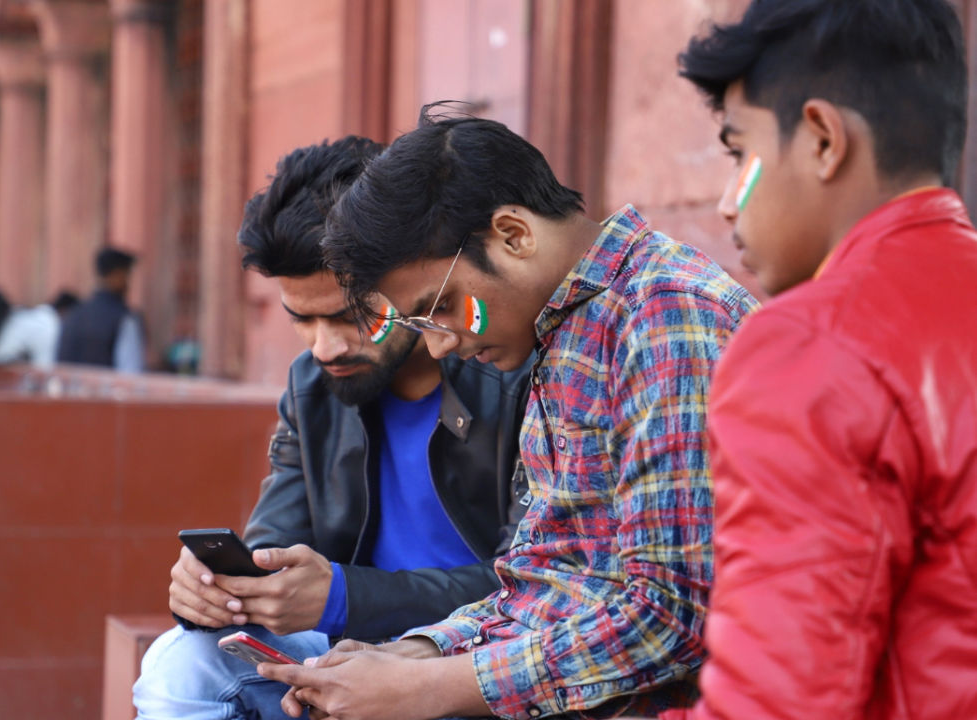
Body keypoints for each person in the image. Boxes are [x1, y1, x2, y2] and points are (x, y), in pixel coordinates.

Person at [258, 110, 758, 719]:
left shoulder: (664, 316)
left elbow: (669, 614)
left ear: (514, 234)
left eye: (443, 307)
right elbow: (545, 577)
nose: (441, 345)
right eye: (420, 326)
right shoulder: (563, 328)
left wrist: (429, 688)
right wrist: (415, 654)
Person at [133, 136, 532, 720]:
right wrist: (218, 590)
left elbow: (539, 586)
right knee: (182, 661)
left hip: (470, 662)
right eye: (303, 319)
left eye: (351, 317)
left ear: (406, 277)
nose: (326, 346)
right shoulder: (314, 385)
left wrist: (345, 597)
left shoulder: (508, 370)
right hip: (344, 651)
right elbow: (275, 538)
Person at [660, 1, 977, 718]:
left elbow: (776, 702)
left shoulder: (810, 344)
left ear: (824, 139)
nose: (728, 204)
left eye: (740, 154)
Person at [57, 246, 145, 371]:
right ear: (116, 274)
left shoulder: (73, 315)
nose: (128, 283)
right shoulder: (123, 319)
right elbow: (131, 373)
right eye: (126, 275)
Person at [0, 290, 78, 368]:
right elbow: (45, 367)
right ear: (65, 312)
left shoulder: (41, 314)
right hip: (5, 368)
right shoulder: (48, 322)